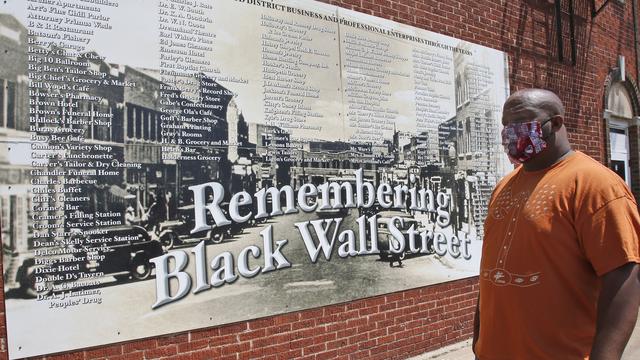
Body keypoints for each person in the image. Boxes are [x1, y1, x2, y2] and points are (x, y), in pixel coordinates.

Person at [473, 88, 640, 359]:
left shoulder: (595, 185)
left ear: (557, 123)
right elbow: (491, 269)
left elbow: (624, 277)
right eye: (507, 125)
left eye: (523, 122)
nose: (512, 132)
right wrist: (478, 339)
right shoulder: (503, 186)